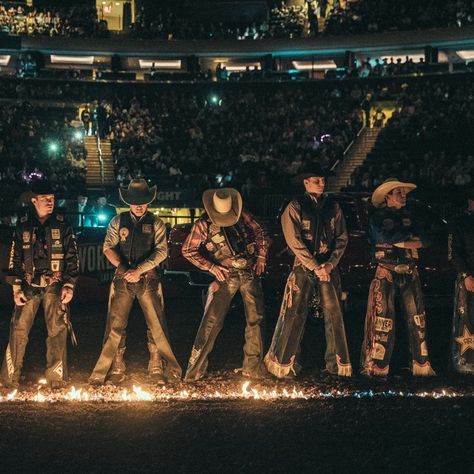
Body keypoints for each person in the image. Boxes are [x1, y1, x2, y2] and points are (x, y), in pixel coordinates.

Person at [89, 179, 181, 385]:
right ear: (128, 202)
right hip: (125, 278)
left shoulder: (156, 222)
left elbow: (162, 251)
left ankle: (156, 364)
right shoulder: (117, 221)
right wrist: (125, 270)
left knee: (155, 324)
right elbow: (108, 248)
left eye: (142, 201)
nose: (139, 205)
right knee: (115, 325)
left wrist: (138, 270)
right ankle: (116, 364)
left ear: (148, 202)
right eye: (135, 201)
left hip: (148, 279)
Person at [264, 164, 352, 378]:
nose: (322, 184)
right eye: (317, 180)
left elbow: (342, 238)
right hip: (304, 265)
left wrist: (330, 264)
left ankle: (337, 365)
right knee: (294, 312)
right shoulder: (295, 206)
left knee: (334, 314)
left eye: (323, 180)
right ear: (306, 183)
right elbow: (293, 240)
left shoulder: (333, 206)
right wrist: (315, 265)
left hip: (328, 267)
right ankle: (285, 363)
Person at [182, 188, 269, 381]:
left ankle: (252, 368)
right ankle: (195, 370)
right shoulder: (203, 224)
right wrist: (213, 268)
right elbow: (188, 250)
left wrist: (261, 255)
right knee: (213, 320)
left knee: (255, 318)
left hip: (247, 270)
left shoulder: (240, 214)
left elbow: (261, 231)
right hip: (226, 273)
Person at [0, 180, 79, 389]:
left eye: (52, 198)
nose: (50, 202)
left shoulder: (63, 225)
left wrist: (69, 284)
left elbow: (73, 258)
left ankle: (56, 379)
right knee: (18, 329)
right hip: (27, 285)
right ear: (34, 200)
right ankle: (9, 379)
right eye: (45, 199)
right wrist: (16, 288)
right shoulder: (23, 224)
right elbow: (14, 259)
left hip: (55, 284)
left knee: (57, 330)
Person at [360, 178, 436, 376]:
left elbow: (427, 238)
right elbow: (385, 237)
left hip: (409, 270)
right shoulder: (377, 217)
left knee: (417, 318)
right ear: (387, 196)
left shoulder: (412, 215)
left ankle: (421, 364)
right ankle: (377, 366)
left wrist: (402, 241)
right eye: (398, 193)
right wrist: (410, 240)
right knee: (383, 319)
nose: (403, 196)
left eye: (404, 193)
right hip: (386, 270)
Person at [450, 188, 474, 373]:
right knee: (466, 318)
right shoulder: (459, 223)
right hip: (468, 276)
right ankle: (466, 361)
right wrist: (466, 274)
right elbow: (454, 253)